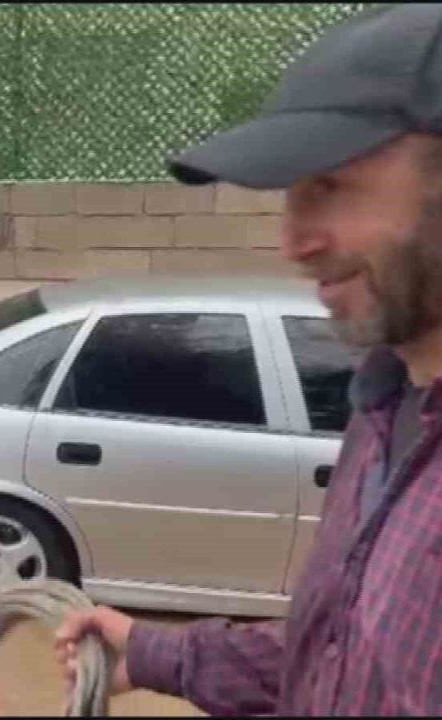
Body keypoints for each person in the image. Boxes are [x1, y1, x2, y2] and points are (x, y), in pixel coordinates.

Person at [53, 4, 442, 715]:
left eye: (331, 186)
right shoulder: (383, 407)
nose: (293, 242)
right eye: (291, 195)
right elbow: (340, 651)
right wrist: (152, 651)